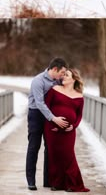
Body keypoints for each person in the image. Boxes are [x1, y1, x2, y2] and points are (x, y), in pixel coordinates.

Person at [44, 68, 90, 192]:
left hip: (69, 132)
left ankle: (72, 184)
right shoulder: (54, 90)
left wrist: (73, 126)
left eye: (66, 75)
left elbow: (79, 115)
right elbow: (46, 108)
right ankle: (57, 183)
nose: (63, 77)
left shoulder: (79, 96)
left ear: (74, 79)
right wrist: (51, 122)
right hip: (52, 129)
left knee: (68, 156)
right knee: (54, 156)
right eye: (63, 74)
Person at [26, 57, 68, 191]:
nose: (63, 76)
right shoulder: (38, 81)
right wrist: (53, 118)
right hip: (36, 115)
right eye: (62, 72)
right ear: (54, 69)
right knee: (34, 147)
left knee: (50, 148)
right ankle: (31, 181)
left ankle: (48, 180)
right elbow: (39, 103)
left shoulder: (58, 80)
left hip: (51, 115)